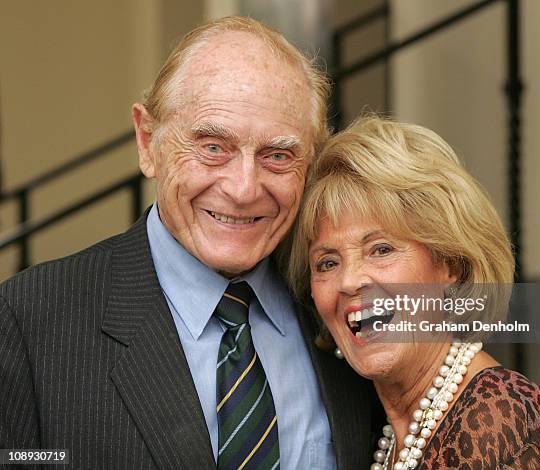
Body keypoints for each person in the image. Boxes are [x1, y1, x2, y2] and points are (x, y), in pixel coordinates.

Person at [0, 17, 377, 469]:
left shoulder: (342, 297)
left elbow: (470, 329)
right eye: (212, 147)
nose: (243, 189)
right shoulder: (29, 319)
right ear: (147, 141)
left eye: (277, 156)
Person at [286, 115, 540, 469]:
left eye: (381, 249)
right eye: (327, 263)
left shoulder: (497, 421)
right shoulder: (389, 426)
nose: (349, 281)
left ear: (451, 264)